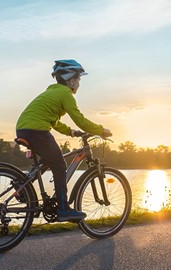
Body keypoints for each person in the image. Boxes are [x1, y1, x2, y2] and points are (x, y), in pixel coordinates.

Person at [16, 59, 112, 222]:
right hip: (37, 130)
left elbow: (54, 122)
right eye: (79, 79)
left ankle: (21, 186)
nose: (79, 83)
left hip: (24, 128)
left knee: (48, 163)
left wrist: (71, 133)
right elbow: (80, 120)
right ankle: (63, 209)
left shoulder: (52, 92)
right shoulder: (65, 94)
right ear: (71, 79)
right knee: (60, 166)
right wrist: (100, 130)